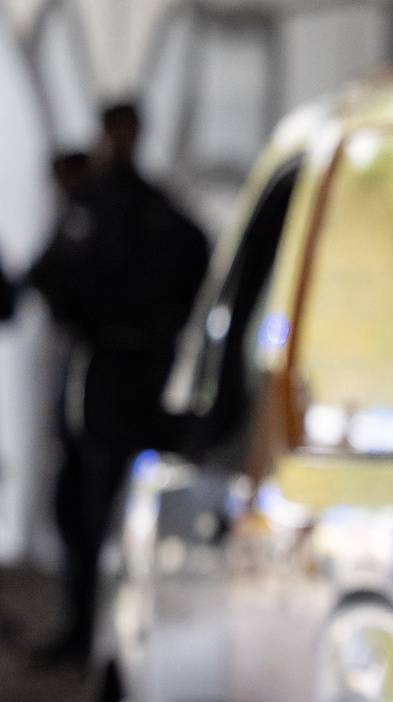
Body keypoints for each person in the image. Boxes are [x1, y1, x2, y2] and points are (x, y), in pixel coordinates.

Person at [27, 106, 207, 667]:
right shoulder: (154, 207)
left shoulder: (109, 204)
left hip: (109, 375)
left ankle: (94, 632)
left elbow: (53, 274)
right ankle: (106, 631)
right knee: (106, 509)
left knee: (91, 510)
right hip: (141, 374)